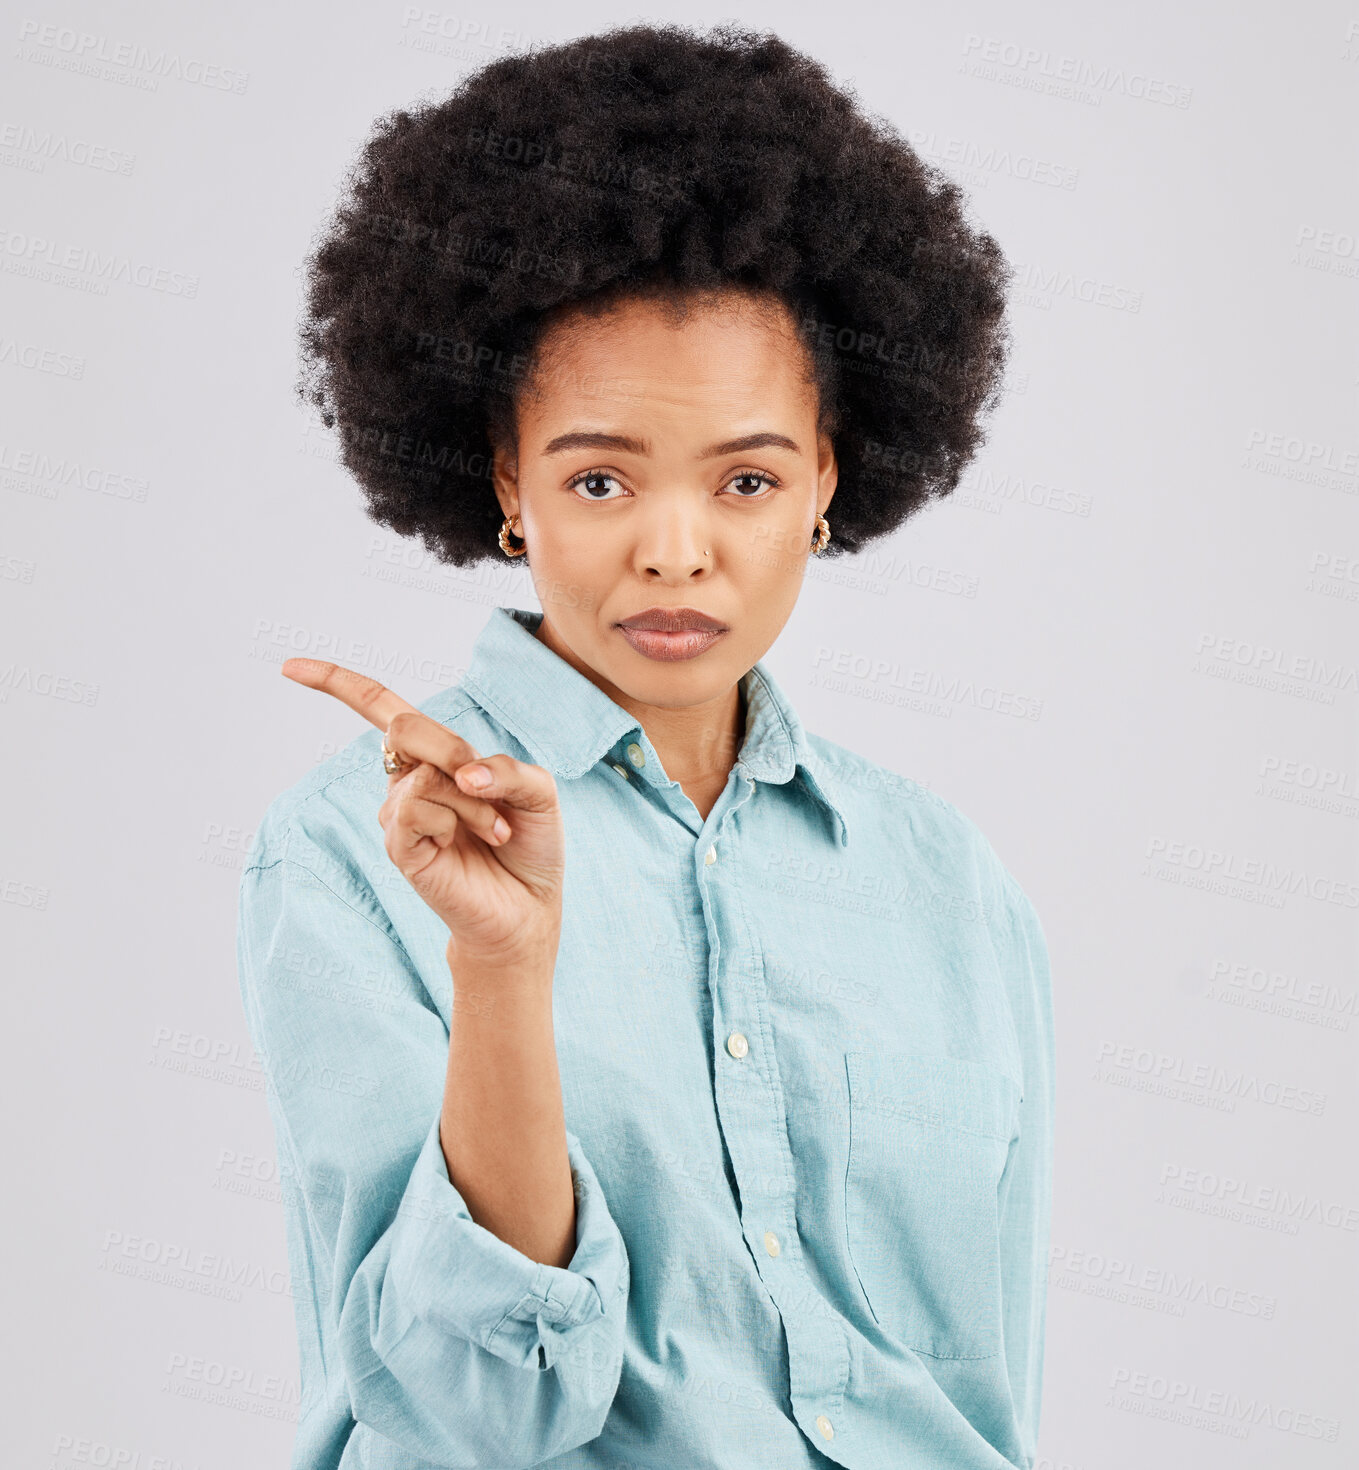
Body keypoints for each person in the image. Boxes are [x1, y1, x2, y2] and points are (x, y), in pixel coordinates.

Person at [236, 22, 1055, 1470]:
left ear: (826, 484)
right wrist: (500, 965)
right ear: (504, 478)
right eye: (602, 475)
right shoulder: (354, 853)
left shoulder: (948, 885)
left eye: (746, 478)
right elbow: (465, 1413)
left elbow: (989, 1405)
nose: (677, 552)